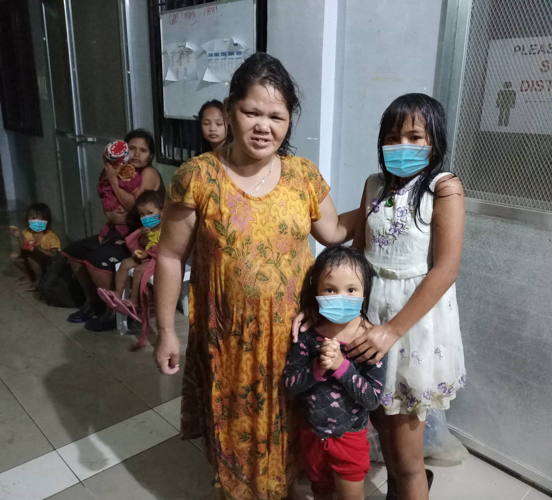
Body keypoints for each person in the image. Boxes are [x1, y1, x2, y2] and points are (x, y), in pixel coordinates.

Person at [154, 52, 358, 499]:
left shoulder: (303, 176)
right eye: (251, 112)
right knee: (238, 442)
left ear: (289, 121)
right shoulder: (199, 177)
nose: (263, 126)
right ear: (230, 111)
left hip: (294, 340)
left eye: (276, 116)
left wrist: (381, 197)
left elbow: (335, 232)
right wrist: (166, 330)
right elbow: (169, 256)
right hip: (230, 343)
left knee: (293, 438)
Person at [293, 93, 466, 500]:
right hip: (367, 321)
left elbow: (446, 269)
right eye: (393, 137)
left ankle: (411, 486)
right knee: (376, 427)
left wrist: (391, 331)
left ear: (435, 141)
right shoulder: (374, 185)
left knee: (403, 455)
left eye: (414, 136)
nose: (402, 146)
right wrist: (320, 307)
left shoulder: (444, 188)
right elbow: (352, 256)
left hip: (410, 327)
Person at [284, 245, 385, 500]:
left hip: (349, 438)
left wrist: (341, 366)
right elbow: (289, 384)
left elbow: (373, 399)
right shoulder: (308, 335)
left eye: (351, 290)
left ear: (365, 293)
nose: (341, 297)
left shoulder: (369, 341)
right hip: (312, 434)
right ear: (316, 292)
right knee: (321, 492)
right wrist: (316, 369)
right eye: (330, 289)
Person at [63, 129, 164, 331]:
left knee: (96, 260)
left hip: (141, 239)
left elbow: (133, 207)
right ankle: (94, 303)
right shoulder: (124, 171)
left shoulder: (148, 174)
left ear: (150, 155)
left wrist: (111, 177)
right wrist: (109, 213)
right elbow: (108, 200)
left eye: (143, 150)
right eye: (132, 149)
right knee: (74, 251)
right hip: (117, 231)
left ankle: (114, 312)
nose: (136, 154)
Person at [97, 189, 164, 322]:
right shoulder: (147, 229)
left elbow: (164, 249)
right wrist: (143, 239)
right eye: (142, 214)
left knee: (139, 270)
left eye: (150, 213)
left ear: (162, 211)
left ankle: (134, 300)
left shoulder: (166, 228)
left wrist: (147, 253)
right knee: (125, 263)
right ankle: (117, 293)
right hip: (147, 256)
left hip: (160, 258)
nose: (146, 217)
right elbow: (141, 245)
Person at [10, 203, 61, 290]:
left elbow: (55, 255)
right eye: (33, 218)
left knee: (32, 256)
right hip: (32, 261)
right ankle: (29, 277)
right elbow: (23, 248)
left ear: (47, 221)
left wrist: (39, 249)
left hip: (48, 264)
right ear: (28, 219)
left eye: (41, 219)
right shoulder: (27, 232)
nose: (37, 222)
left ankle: (39, 281)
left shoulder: (51, 236)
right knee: (14, 256)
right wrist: (20, 236)